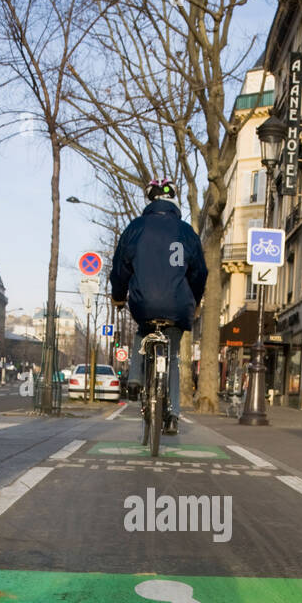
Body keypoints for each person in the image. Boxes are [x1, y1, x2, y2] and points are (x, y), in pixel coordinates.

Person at [110, 178, 207, 434]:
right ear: (174, 200)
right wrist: (195, 302)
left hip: (144, 301)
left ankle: (133, 378)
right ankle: (173, 415)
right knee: (173, 358)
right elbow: (199, 273)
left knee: (142, 331)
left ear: (149, 200)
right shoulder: (186, 232)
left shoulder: (136, 228)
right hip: (177, 306)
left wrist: (118, 296)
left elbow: (120, 267)